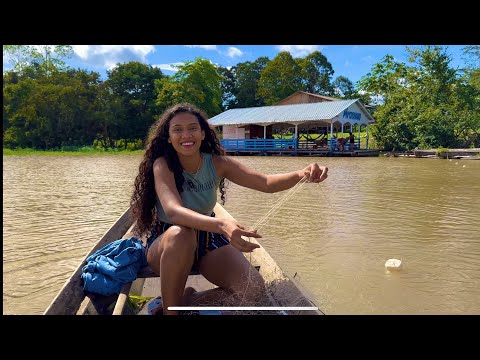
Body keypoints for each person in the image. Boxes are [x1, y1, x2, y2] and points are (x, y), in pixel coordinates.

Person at [130, 103, 329, 315]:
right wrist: (223, 224)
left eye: (192, 128)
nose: (186, 135)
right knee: (181, 233)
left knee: (253, 290)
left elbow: (266, 182)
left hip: (209, 239)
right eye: (177, 129)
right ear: (168, 137)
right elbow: (173, 211)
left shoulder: (217, 163)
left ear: (203, 133)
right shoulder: (162, 164)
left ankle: (188, 300)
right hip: (167, 243)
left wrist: (302, 174)